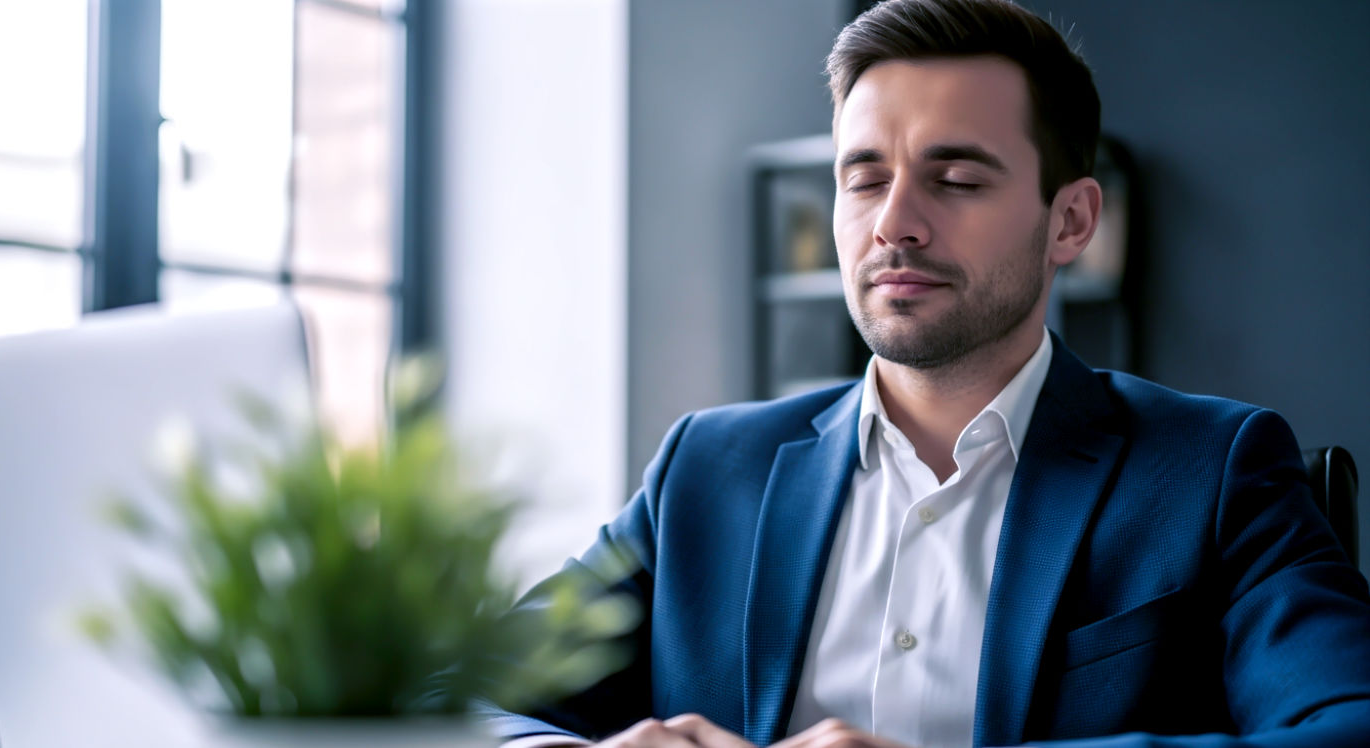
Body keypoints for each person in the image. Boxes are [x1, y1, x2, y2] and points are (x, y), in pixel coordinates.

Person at [479, 1, 1370, 746]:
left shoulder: (1214, 470)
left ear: (1070, 221)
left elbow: (1346, 726)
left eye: (956, 180)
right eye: (864, 180)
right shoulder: (705, 469)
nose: (894, 223)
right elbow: (466, 696)